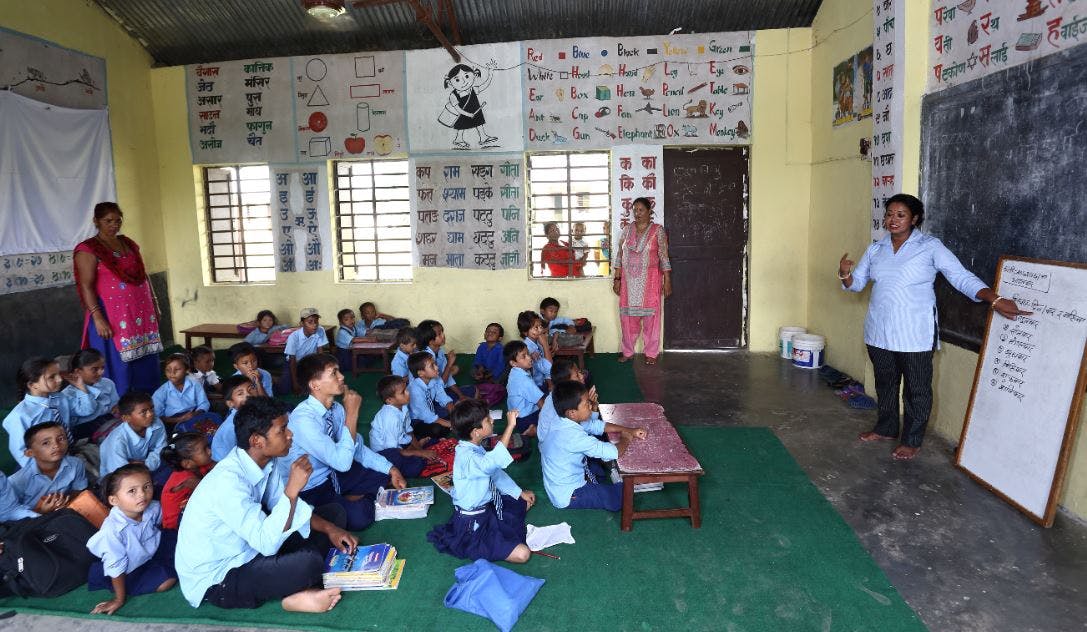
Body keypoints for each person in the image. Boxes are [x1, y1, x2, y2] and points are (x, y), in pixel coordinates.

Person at [839, 193, 1031, 460]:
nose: (892, 220)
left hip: (914, 334)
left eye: (900, 215)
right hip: (878, 332)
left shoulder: (930, 247)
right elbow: (856, 285)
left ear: (914, 219)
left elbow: (960, 276)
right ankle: (886, 428)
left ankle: (912, 439)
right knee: (885, 384)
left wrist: (995, 299)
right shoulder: (876, 250)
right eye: (889, 214)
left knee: (916, 390)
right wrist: (845, 274)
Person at [176, 396, 353, 612]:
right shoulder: (227, 482)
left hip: (253, 547)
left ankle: (297, 585)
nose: (290, 435)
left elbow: (284, 510)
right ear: (257, 441)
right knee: (308, 563)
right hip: (219, 576)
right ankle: (294, 597)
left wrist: (331, 529)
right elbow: (267, 542)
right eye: (282, 430)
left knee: (333, 515)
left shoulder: (266, 462)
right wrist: (292, 489)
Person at [281, 353, 406, 531]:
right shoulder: (304, 419)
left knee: (391, 464)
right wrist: (353, 414)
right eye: (334, 373)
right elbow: (342, 463)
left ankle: (354, 495)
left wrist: (391, 469)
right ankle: (353, 498)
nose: (342, 377)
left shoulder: (336, 408)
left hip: (335, 473)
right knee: (360, 517)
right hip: (312, 486)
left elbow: (357, 449)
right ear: (314, 384)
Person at [426, 400, 534, 563]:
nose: (492, 421)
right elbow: (492, 464)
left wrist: (519, 492)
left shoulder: (473, 446)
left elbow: (495, 475)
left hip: (486, 508)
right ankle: (484, 540)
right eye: (488, 420)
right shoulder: (467, 457)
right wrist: (510, 426)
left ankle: (501, 523)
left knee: (526, 498)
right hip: (472, 523)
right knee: (523, 554)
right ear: (476, 432)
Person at [74, 202, 163, 396]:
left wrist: (155, 303)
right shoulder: (88, 249)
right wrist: (98, 317)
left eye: (118, 221)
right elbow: (86, 286)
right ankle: (119, 403)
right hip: (112, 316)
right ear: (96, 221)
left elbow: (143, 274)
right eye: (108, 221)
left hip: (140, 314)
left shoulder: (128, 244)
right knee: (117, 361)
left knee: (146, 360)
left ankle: (147, 399)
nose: (114, 225)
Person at [86, 463, 177, 615]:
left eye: (146, 487)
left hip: (153, 551)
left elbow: (165, 523)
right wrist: (118, 599)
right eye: (132, 491)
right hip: (130, 570)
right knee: (166, 582)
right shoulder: (112, 532)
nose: (142, 494)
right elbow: (117, 566)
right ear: (114, 500)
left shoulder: (152, 507)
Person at [541, 381, 646, 511]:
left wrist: (630, 429)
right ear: (572, 412)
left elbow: (597, 426)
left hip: (559, 481)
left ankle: (597, 481)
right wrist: (626, 438)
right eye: (586, 404)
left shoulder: (562, 420)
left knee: (598, 471)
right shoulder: (573, 437)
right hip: (568, 494)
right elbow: (614, 452)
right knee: (620, 495)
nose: (590, 407)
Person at [4, 356, 93, 467]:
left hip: (67, 453)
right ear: (32, 384)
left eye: (59, 374)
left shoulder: (60, 398)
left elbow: (87, 410)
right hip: (43, 465)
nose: (60, 379)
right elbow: (21, 452)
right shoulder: (20, 416)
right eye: (52, 377)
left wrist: (81, 386)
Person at [613, 197, 672, 365]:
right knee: (627, 319)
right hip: (628, 282)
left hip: (651, 281)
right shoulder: (626, 230)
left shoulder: (657, 231)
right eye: (635, 210)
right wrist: (617, 278)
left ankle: (651, 353)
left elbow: (663, 256)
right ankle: (628, 351)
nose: (637, 213)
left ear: (649, 212)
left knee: (651, 319)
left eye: (641, 210)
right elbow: (619, 255)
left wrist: (667, 280)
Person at [10, 421, 88, 512]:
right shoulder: (17, 481)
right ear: (30, 453)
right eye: (46, 443)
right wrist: (41, 512)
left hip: (67, 512)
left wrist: (66, 501)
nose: (56, 445)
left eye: (61, 438)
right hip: (35, 522)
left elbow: (78, 491)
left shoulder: (76, 464)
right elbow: (11, 514)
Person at [369, 375, 436, 478]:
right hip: (386, 454)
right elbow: (394, 451)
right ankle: (392, 476)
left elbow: (409, 431)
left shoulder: (403, 406)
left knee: (431, 438)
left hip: (399, 442)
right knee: (416, 466)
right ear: (389, 400)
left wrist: (420, 450)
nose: (408, 393)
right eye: (403, 392)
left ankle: (413, 448)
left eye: (406, 389)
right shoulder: (390, 419)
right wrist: (420, 453)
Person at [99, 391, 167, 481]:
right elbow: (121, 475)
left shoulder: (156, 423)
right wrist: (143, 465)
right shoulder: (117, 441)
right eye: (143, 412)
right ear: (126, 418)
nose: (150, 414)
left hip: (144, 466)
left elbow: (160, 449)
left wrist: (145, 464)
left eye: (151, 408)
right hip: (117, 480)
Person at [151, 353, 221, 430]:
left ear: (187, 370)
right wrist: (180, 419)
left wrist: (195, 414)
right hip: (172, 421)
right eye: (168, 370)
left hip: (194, 414)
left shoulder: (194, 384)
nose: (172, 373)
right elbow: (156, 416)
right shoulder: (161, 392)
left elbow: (203, 403)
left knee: (214, 422)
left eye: (177, 369)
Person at [63, 348, 120, 442]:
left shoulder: (107, 383)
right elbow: (88, 410)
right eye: (95, 369)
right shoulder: (68, 394)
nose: (101, 372)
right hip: (85, 429)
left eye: (102, 368)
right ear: (78, 372)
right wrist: (83, 389)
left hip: (108, 420)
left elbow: (115, 405)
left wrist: (117, 408)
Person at [440, 62, 499, 149]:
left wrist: (490, 72)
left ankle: (483, 137)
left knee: (479, 123)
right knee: (461, 126)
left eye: (467, 76)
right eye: (457, 80)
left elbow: (485, 85)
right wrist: (467, 114)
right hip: (463, 114)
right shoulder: (453, 95)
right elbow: (457, 109)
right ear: (450, 83)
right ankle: (458, 139)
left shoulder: (473, 89)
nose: (464, 82)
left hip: (475, 111)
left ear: (474, 75)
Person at [418, 319, 474, 400]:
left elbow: (448, 377)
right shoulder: (425, 359)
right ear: (430, 341)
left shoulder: (440, 351)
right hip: (430, 398)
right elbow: (440, 385)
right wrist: (449, 364)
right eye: (439, 334)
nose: (443, 335)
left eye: (442, 332)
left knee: (474, 391)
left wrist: (461, 395)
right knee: (463, 405)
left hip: (440, 388)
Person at [407, 351, 454, 441]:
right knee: (436, 429)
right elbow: (427, 417)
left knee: (457, 410)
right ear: (421, 373)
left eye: (435, 364)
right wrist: (452, 424)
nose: (437, 367)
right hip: (417, 421)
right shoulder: (415, 390)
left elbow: (443, 397)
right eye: (432, 366)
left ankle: (447, 426)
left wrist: (454, 415)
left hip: (432, 411)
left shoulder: (434, 379)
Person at [211, 375, 257, 462]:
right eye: (240, 393)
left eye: (251, 389)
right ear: (230, 403)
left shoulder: (254, 414)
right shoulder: (231, 427)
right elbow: (232, 456)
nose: (248, 395)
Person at [503, 341, 544, 436]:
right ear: (513, 363)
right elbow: (540, 402)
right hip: (526, 419)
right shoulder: (523, 381)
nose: (529, 358)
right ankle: (535, 430)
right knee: (553, 411)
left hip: (515, 418)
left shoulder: (514, 372)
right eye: (524, 356)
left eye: (528, 354)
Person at [284, 308, 329, 394]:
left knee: (315, 384)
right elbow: (292, 361)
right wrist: (295, 383)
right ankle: (275, 378)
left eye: (316, 321)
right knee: (285, 388)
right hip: (295, 363)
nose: (315, 324)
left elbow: (321, 354)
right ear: (301, 324)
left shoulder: (320, 330)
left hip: (310, 362)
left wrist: (323, 373)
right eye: (310, 322)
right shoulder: (294, 337)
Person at [518, 311, 554, 390]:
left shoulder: (538, 341)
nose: (540, 330)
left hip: (544, 380)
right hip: (536, 384)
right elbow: (549, 365)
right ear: (525, 332)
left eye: (540, 326)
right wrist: (545, 345)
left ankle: (551, 385)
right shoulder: (526, 348)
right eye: (536, 327)